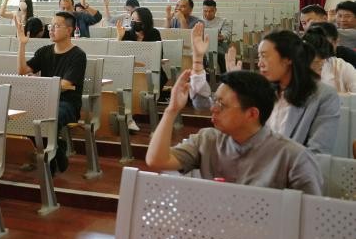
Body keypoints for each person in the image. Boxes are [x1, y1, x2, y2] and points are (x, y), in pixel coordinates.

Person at [145, 69, 321, 194]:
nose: (213, 109)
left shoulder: (293, 157)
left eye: (221, 105)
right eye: (215, 101)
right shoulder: (208, 139)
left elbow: (310, 219)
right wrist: (172, 110)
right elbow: (156, 160)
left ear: (252, 114)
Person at [243, 31, 340, 154]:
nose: (259, 63)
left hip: (292, 165)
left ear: (288, 58)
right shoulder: (264, 92)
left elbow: (317, 152)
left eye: (264, 56)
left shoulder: (324, 96)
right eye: (259, 57)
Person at [16, 11, 86, 172]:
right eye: (50, 26)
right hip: (44, 100)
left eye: (56, 26)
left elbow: (65, 84)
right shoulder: (44, 51)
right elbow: (22, 70)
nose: (51, 29)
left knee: (47, 117)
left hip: (67, 103)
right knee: (24, 116)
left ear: (69, 30)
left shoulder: (78, 55)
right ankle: (57, 150)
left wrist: (38, 82)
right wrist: (22, 44)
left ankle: (51, 158)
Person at [301, 27, 356, 93]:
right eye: (315, 62)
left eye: (323, 59)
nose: (321, 64)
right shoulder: (295, 70)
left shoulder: (340, 67)